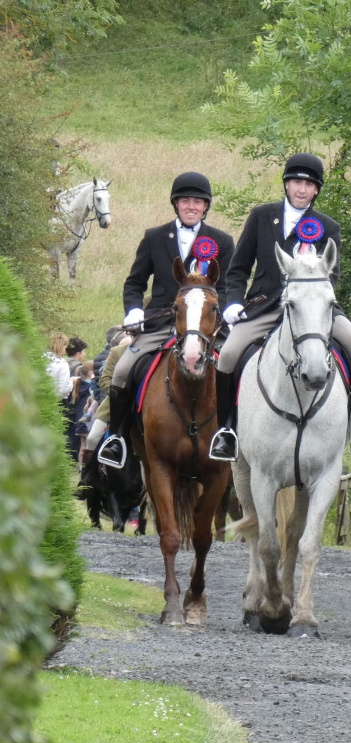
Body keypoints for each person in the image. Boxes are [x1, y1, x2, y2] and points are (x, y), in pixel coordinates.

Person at [209, 152, 351, 465]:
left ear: (316, 190)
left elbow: (333, 275)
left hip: (311, 308)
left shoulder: (327, 227)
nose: (302, 189)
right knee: (230, 353)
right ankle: (226, 430)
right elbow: (238, 268)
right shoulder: (262, 216)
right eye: (296, 182)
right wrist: (233, 302)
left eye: (309, 184)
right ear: (286, 185)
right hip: (264, 307)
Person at [97, 172, 234, 469]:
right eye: (186, 200)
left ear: (206, 206)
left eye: (198, 202)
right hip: (161, 324)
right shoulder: (154, 237)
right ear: (176, 203)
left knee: (235, 368)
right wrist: (134, 311)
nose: (191, 206)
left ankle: (230, 433)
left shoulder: (221, 241)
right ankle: (117, 438)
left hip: (206, 328)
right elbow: (134, 283)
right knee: (123, 370)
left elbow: (225, 288)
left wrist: (227, 312)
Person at [77, 331, 131, 498]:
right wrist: (122, 394)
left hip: (141, 406)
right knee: (92, 438)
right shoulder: (116, 353)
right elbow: (104, 380)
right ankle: (86, 479)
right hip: (113, 405)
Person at [44, 331, 72, 402]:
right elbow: (63, 389)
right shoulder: (62, 363)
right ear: (61, 346)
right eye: (65, 346)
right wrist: (71, 383)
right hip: (57, 401)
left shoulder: (42, 358)